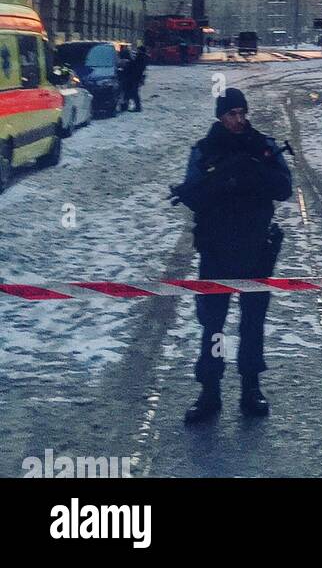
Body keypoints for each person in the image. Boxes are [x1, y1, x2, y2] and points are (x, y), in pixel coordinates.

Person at [173, 87, 293, 423]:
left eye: (242, 113)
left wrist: (252, 175)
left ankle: (251, 388)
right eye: (231, 114)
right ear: (220, 117)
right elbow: (193, 194)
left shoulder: (264, 147)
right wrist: (222, 182)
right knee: (213, 324)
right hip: (217, 249)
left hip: (257, 248)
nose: (238, 120)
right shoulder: (204, 151)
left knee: (252, 323)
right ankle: (209, 391)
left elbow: (284, 188)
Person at [122, 44, 147, 112]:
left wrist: (129, 62)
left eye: (138, 50)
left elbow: (135, 67)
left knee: (133, 92)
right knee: (132, 92)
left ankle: (136, 107)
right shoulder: (142, 57)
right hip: (136, 77)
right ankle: (129, 106)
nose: (137, 51)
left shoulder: (140, 57)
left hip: (134, 77)